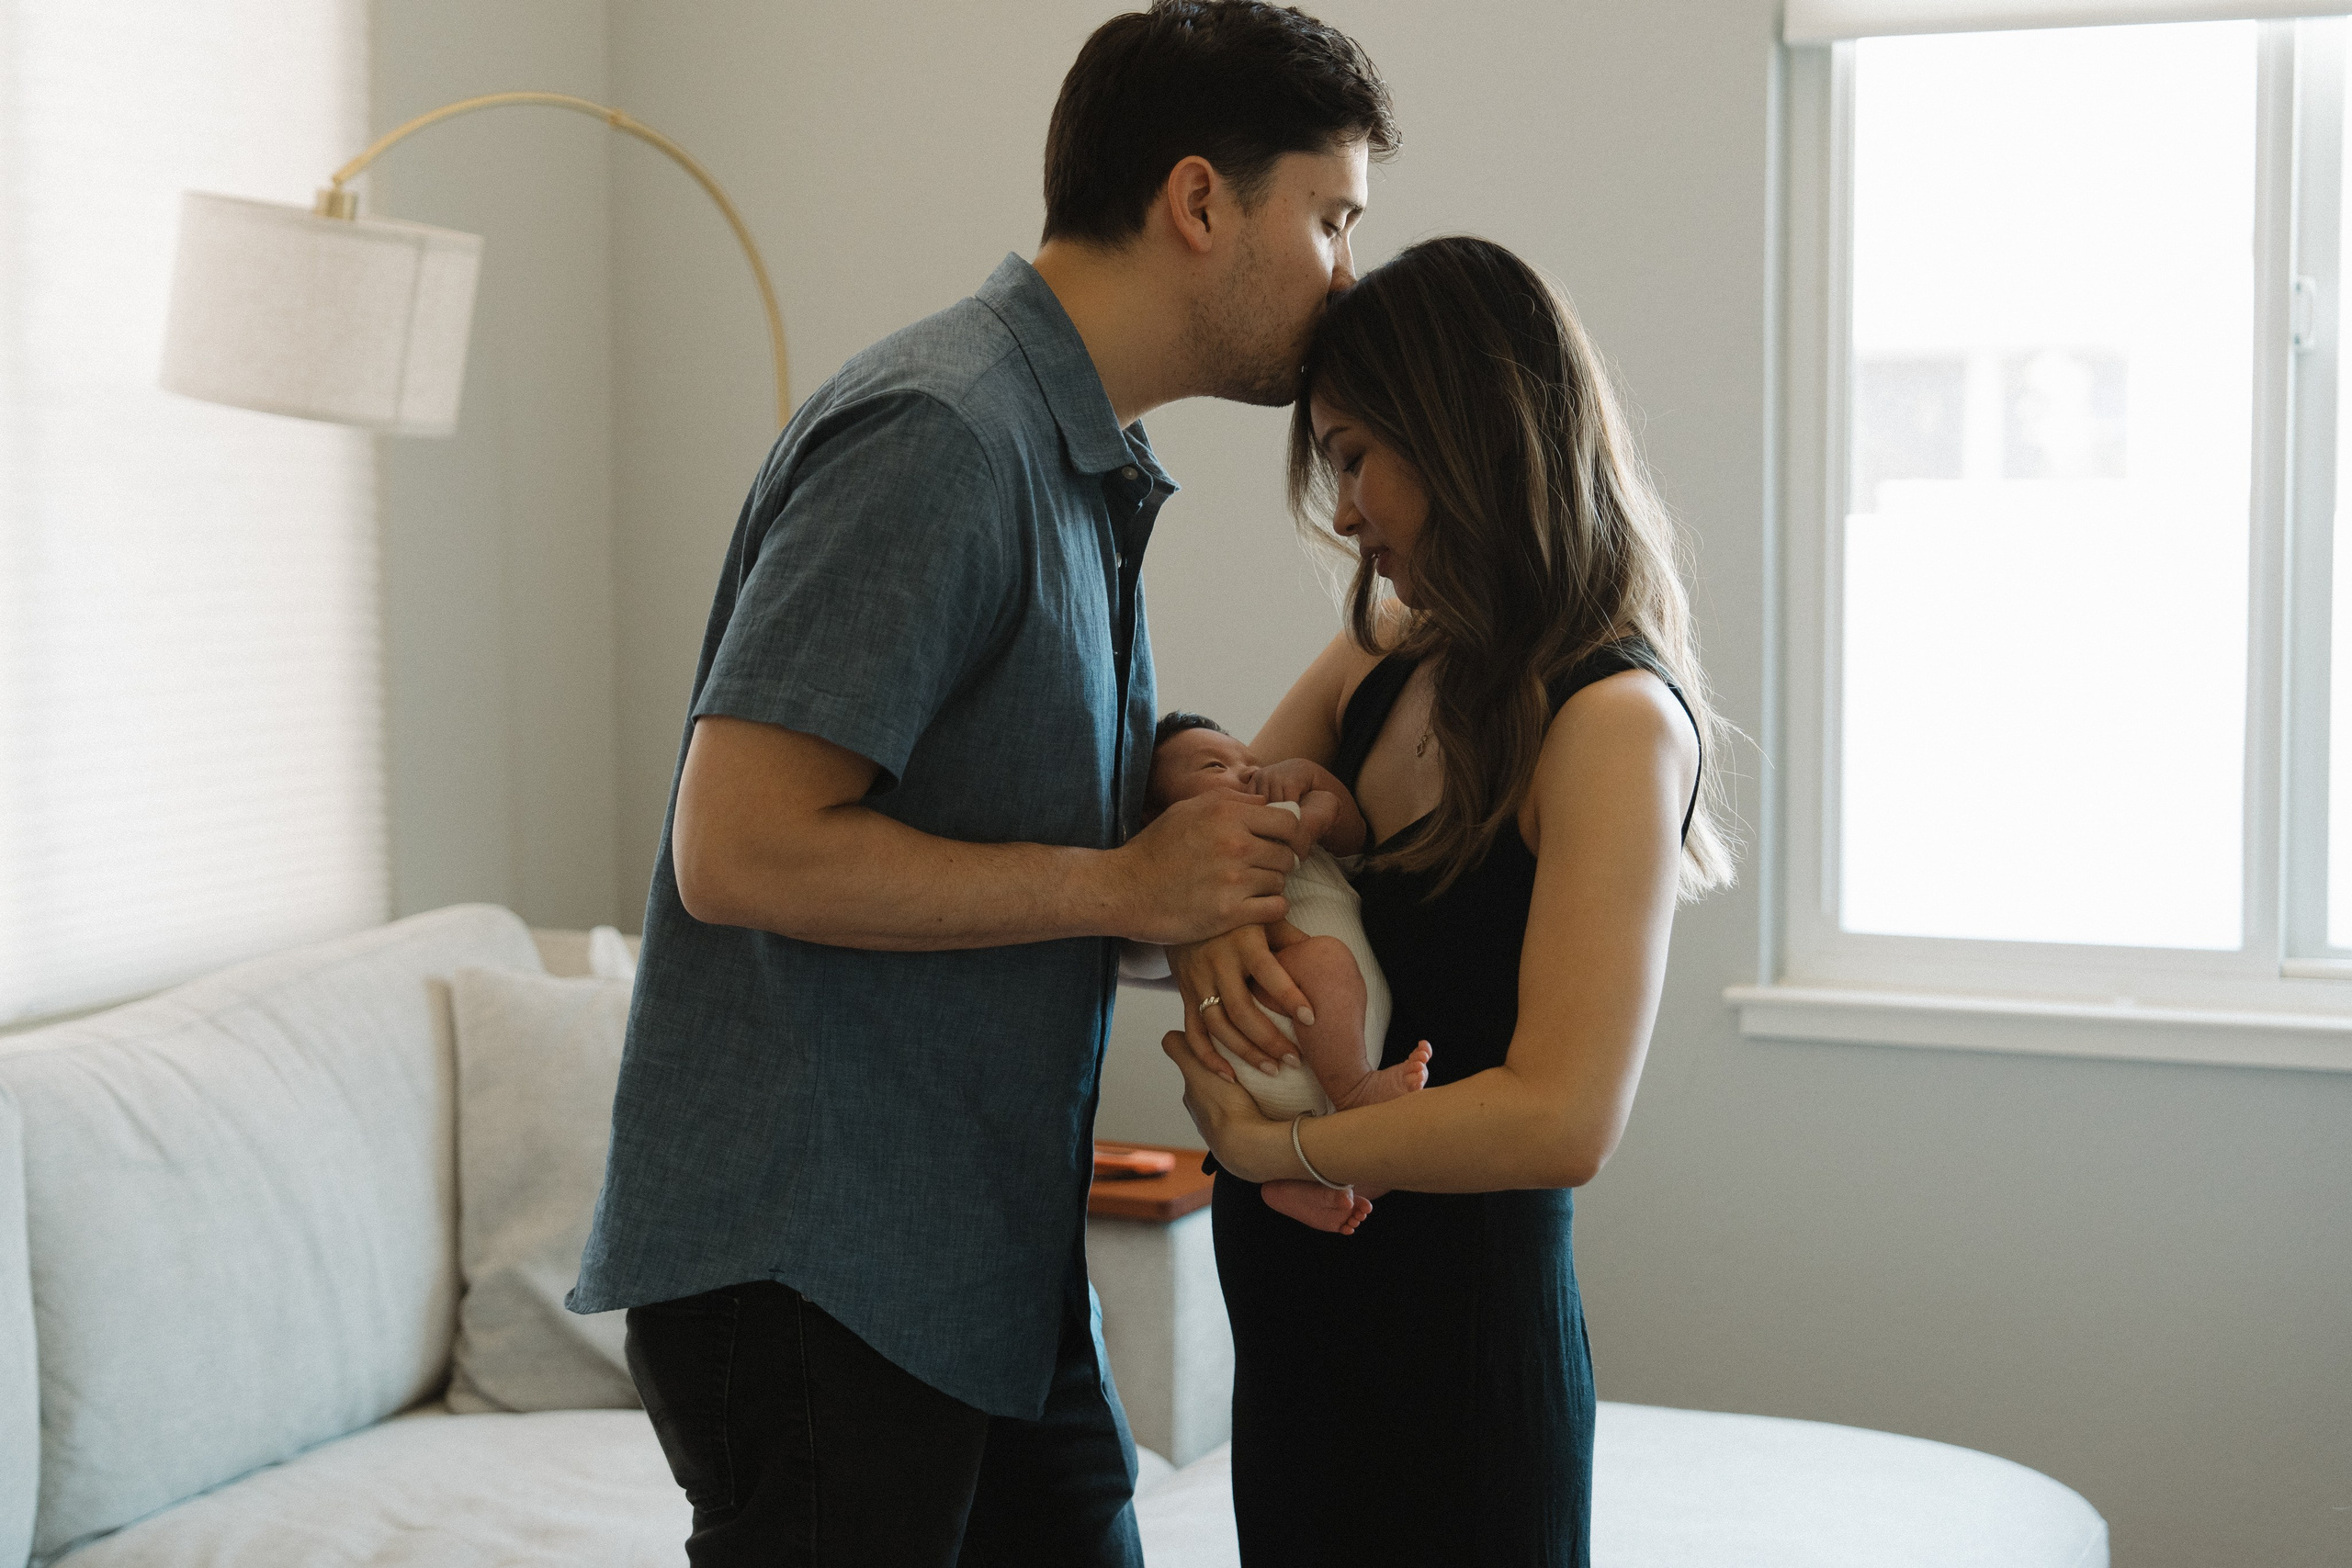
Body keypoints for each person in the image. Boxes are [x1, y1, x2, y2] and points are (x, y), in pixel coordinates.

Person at [565, 6, 1396, 1564]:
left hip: (975, 1255)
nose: (1347, 271)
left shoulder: (1070, 456)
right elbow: (736, 846)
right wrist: (1125, 883)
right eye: (1332, 217)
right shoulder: (944, 435)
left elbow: (980, 756)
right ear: (1200, 201)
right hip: (822, 1271)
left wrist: (1163, 755)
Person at [1158, 234, 1736, 1567]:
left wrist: (1270, 1147)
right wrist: (1198, 836)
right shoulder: (1379, 660)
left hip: (1456, 1387)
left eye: (1356, 456)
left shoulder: (1611, 722)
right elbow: (1209, 858)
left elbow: (1563, 1116)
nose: (1344, 512)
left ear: (1461, 433)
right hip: (1297, 1365)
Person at [1141, 711, 1431, 1235]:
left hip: (1292, 1044)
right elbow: (1306, 832)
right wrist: (1314, 802)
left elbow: (1353, 833)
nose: (1249, 771)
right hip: (1280, 1020)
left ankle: (1302, 1184)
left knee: (1395, 1160)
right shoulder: (1231, 841)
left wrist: (1312, 780)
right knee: (1325, 962)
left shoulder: (1275, 818)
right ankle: (1354, 1090)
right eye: (1215, 767)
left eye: (1250, 760)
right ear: (1160, 819)